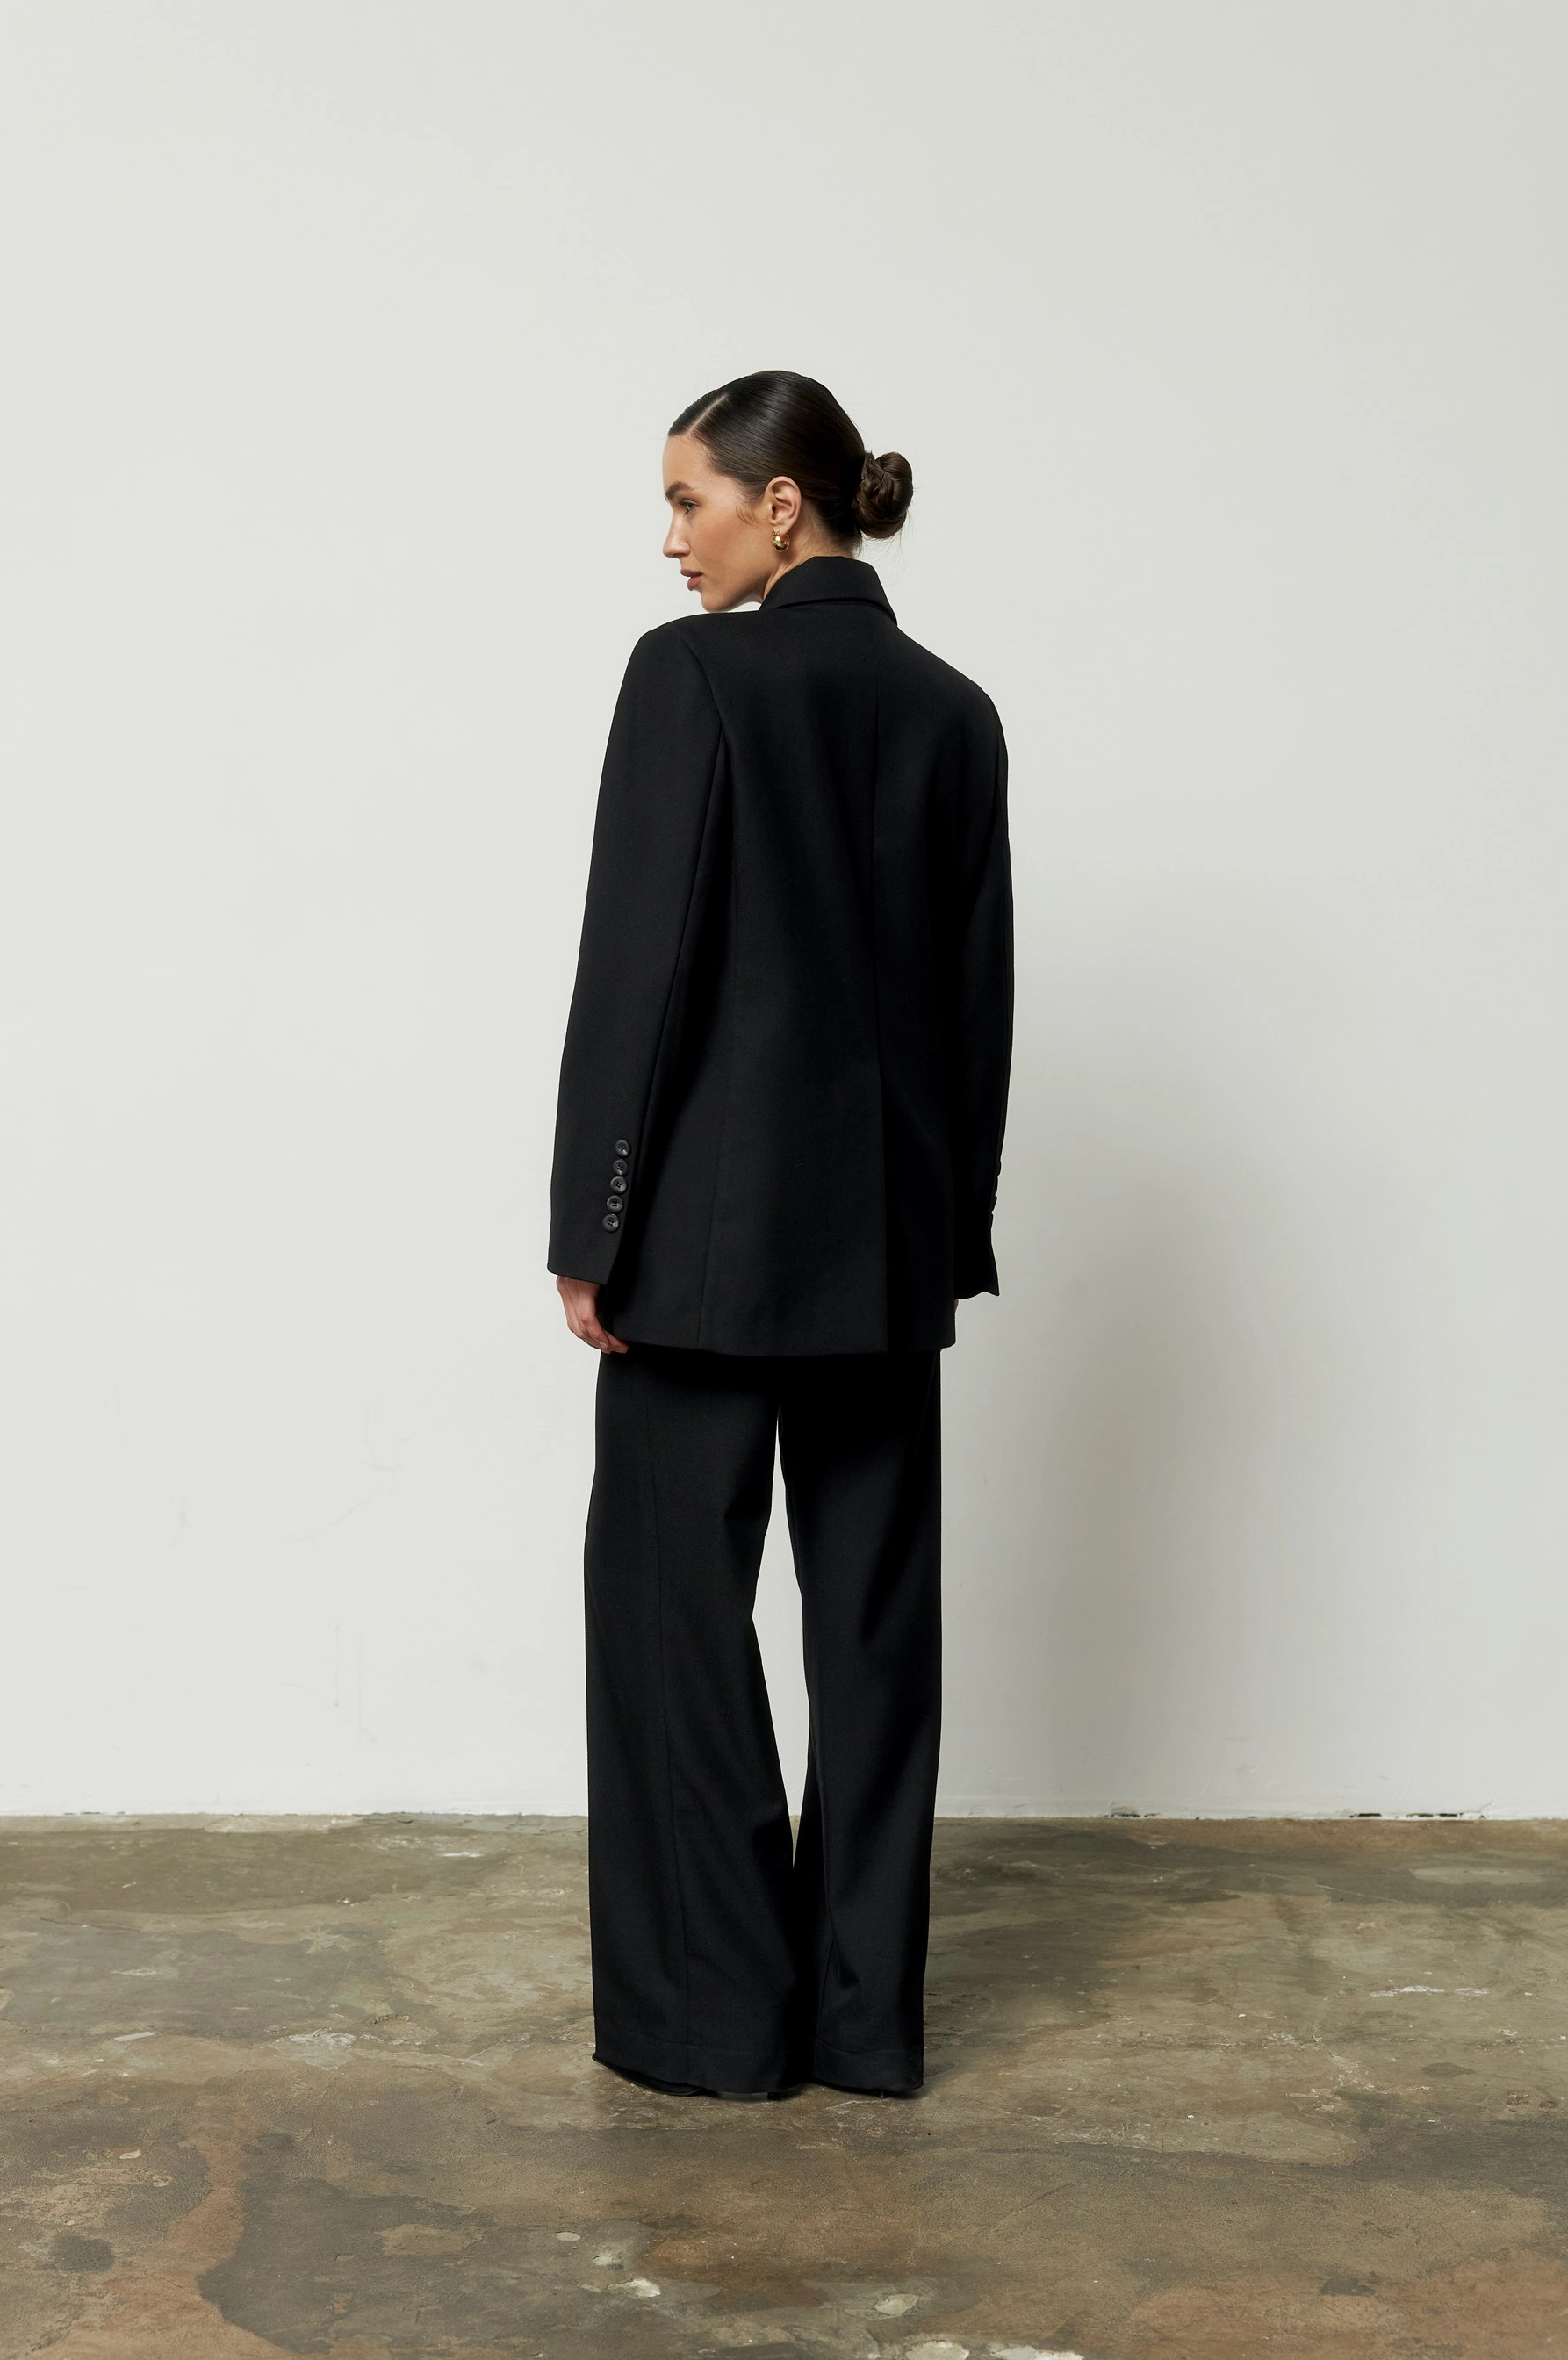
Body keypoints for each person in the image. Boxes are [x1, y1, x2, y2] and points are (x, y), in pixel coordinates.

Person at [547, 370, 1013, 2102]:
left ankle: (719, 2021)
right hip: (885, 1253)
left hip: (703, 1252)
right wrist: (943, 1235)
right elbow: (978, 1008)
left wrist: (589, 1223)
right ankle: (866, 2026)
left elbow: (639, 973)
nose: (673, 539)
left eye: (690, 500)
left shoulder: (694, 678)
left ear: (782, 505)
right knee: (876, 1639)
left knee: (673, 1619)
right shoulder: (954, 712)